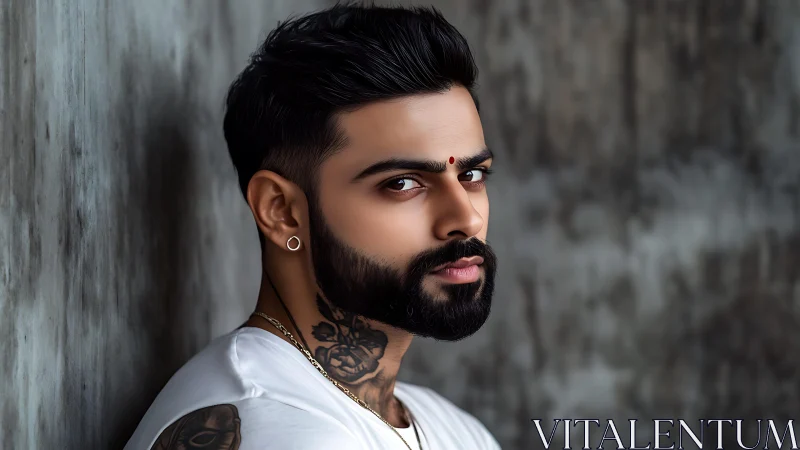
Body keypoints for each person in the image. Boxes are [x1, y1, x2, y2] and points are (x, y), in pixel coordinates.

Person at [125, 3, 501, 449]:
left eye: (471, 176)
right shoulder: (275, 427)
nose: (466, 218)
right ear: (281, 210)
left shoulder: (453, 429)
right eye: (402, 183)